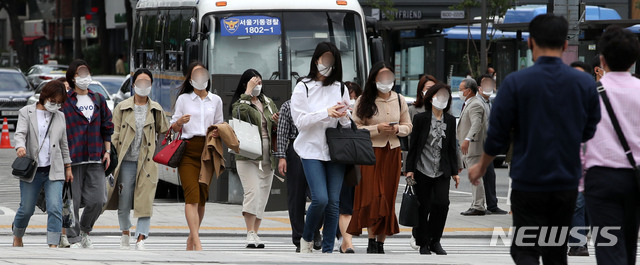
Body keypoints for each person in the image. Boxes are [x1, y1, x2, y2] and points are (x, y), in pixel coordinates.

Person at [468, 14, 601, 264]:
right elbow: (590, 130)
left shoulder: (516, 83)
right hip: (566, 182)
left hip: (528, 180)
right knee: (556, 252)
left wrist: (481, 166)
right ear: (564, 46)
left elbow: (497, 136)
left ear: (530, 43)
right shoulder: (584, 83)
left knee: (526, 249)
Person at [584, 26, 640, 265]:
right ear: (633, 60)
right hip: (636, 177)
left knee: (609, 246)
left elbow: (579, 141)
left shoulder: (588, 94)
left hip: (601, 178)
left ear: (602, 60)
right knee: (630, 243)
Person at [290, 42, 350, 253]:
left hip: (335, 151)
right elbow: (300, 122)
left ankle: (327, 251)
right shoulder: (303, 86)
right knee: (320, 198)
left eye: (331, 60)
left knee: (333, 202)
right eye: (324, 59)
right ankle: (306, 237)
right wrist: (327, 112)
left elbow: (347, 124)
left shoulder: (340, 87)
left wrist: (343, 115)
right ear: (316, 60)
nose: (327, 64)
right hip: (310, 149)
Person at [347, 61, 412, 254]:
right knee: (373, 196)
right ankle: (371, 239)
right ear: (374, 79)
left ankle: (381, 242)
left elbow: (408, 126)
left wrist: (397, 129)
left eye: (388, 77)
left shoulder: (399, 99)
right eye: (381, 77)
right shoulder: (363, 100)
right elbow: (355, 128)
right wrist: (377, 128)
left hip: (392, 151)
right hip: (370, 153)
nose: (385, 81)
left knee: (388, 196)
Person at [105, 68, 169, 250]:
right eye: (140, 82)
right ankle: (125, 232)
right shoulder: (122, 107)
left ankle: (141, 237)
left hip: (147, 162)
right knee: (124, 200)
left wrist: (177, 126)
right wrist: (110, 155)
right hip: (126, 161)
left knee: (145, 200)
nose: (143, 86)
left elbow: (165, 132)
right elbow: (114, 134)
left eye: (147, 83)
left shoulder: (156, 109)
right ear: (133, 85)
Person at [12, 80, 73, 248]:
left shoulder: (60, 116)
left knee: (55, 207)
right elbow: (20, 133)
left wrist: (68, 167)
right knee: (26, 209)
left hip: (54, 169)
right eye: (54, 101)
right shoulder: (27, 111)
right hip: (32, 170)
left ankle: (53, 243)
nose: (56, 105)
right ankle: (17, 234)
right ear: (46, 96)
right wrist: (20, 147)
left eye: (60, 103)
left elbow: (64, 144)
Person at [171, 62, 224, 251]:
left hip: (207, 150)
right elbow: (174, 127)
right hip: (188, 149)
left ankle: (191, 238)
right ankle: (197, 241)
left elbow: (220, 123)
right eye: (196, 74)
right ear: (191, 79)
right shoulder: (184, 99)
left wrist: (218, 131)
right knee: (191, 196)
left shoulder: (216, 100)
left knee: (201, 198)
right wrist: (179, 122)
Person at [62, 59, 114, 249]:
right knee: (72, 201)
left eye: (86, 72)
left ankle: (85, 230)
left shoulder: (98, 98)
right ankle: (74, 238)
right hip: (73, 158)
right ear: (73, 78)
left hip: (96, 156)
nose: (84, 76)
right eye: (79, 73)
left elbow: (107, 126)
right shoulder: (65, 101)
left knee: (99, 199)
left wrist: (107, 151)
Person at [405, 83, 460, 255]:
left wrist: (455, 172)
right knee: (424, 206)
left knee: (442, 204)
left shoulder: (450, 120)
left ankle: (435, 240)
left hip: (442, 170)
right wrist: (409, 169)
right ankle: (423, 243)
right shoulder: (421, 119)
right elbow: (413, 146)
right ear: (431, 98)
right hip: (422, 169)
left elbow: (452, 147)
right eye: (439, 95)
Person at [229, 69, 279, 249]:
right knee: (253, 192)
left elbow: (275, 124)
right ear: (245, 84)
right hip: (247, 154)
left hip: (268, 154)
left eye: (259, 82)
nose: (257, 85)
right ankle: (249, 232)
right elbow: (238, 113)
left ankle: (256, 233)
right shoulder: (241, 102)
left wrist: (276, 120)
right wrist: (248, 93)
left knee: (263, 196)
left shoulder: (268, 102)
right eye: (253, 82)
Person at [276, 99, 322, 252]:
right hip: (295, 150)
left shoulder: (320, 104)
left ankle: (314, 230)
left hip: (316, 149)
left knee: (321, 196)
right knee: (296, 197)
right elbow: (282, 133)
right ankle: (299, 238)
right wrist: (281, 157)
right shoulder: (288, 105)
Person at [335, 81, 362, 254]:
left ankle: (347, 242)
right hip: (331, 160)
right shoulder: (330, 110)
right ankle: (340, 239)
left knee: (346, 204)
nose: (351, 99)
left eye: (353, 96)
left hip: (350, 162)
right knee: (328, 202)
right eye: (348, 96)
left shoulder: (359, 110)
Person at [477, 74, 508, 215]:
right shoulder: (478, 102)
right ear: (479, 87)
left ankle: (490, 204)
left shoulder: (489, 102)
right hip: (479, 146)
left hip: (487, 145)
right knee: (485, 175)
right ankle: (484, 205)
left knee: (489, 175)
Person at [457, 78, 487, 216]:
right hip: (471, 147)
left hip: (473, 147)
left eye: (461, 89)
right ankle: (476, 203)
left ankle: (478, 206)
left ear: (468, 91)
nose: (459, 92)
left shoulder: (475, 104)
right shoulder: (470, 103)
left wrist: (467, 139)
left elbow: (476, 124)